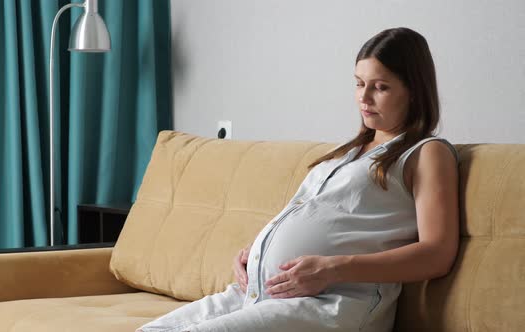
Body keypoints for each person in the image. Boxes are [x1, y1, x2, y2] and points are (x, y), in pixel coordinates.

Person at [137, 27, 459, 332]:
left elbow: (437, 253)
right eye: (359, 83)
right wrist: (257, 252)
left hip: (330, 303)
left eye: (381, 87)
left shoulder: (425, 153)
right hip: (257, 294)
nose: (364, 97)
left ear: (414, 92)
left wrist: (333, 268)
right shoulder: (347, 151)